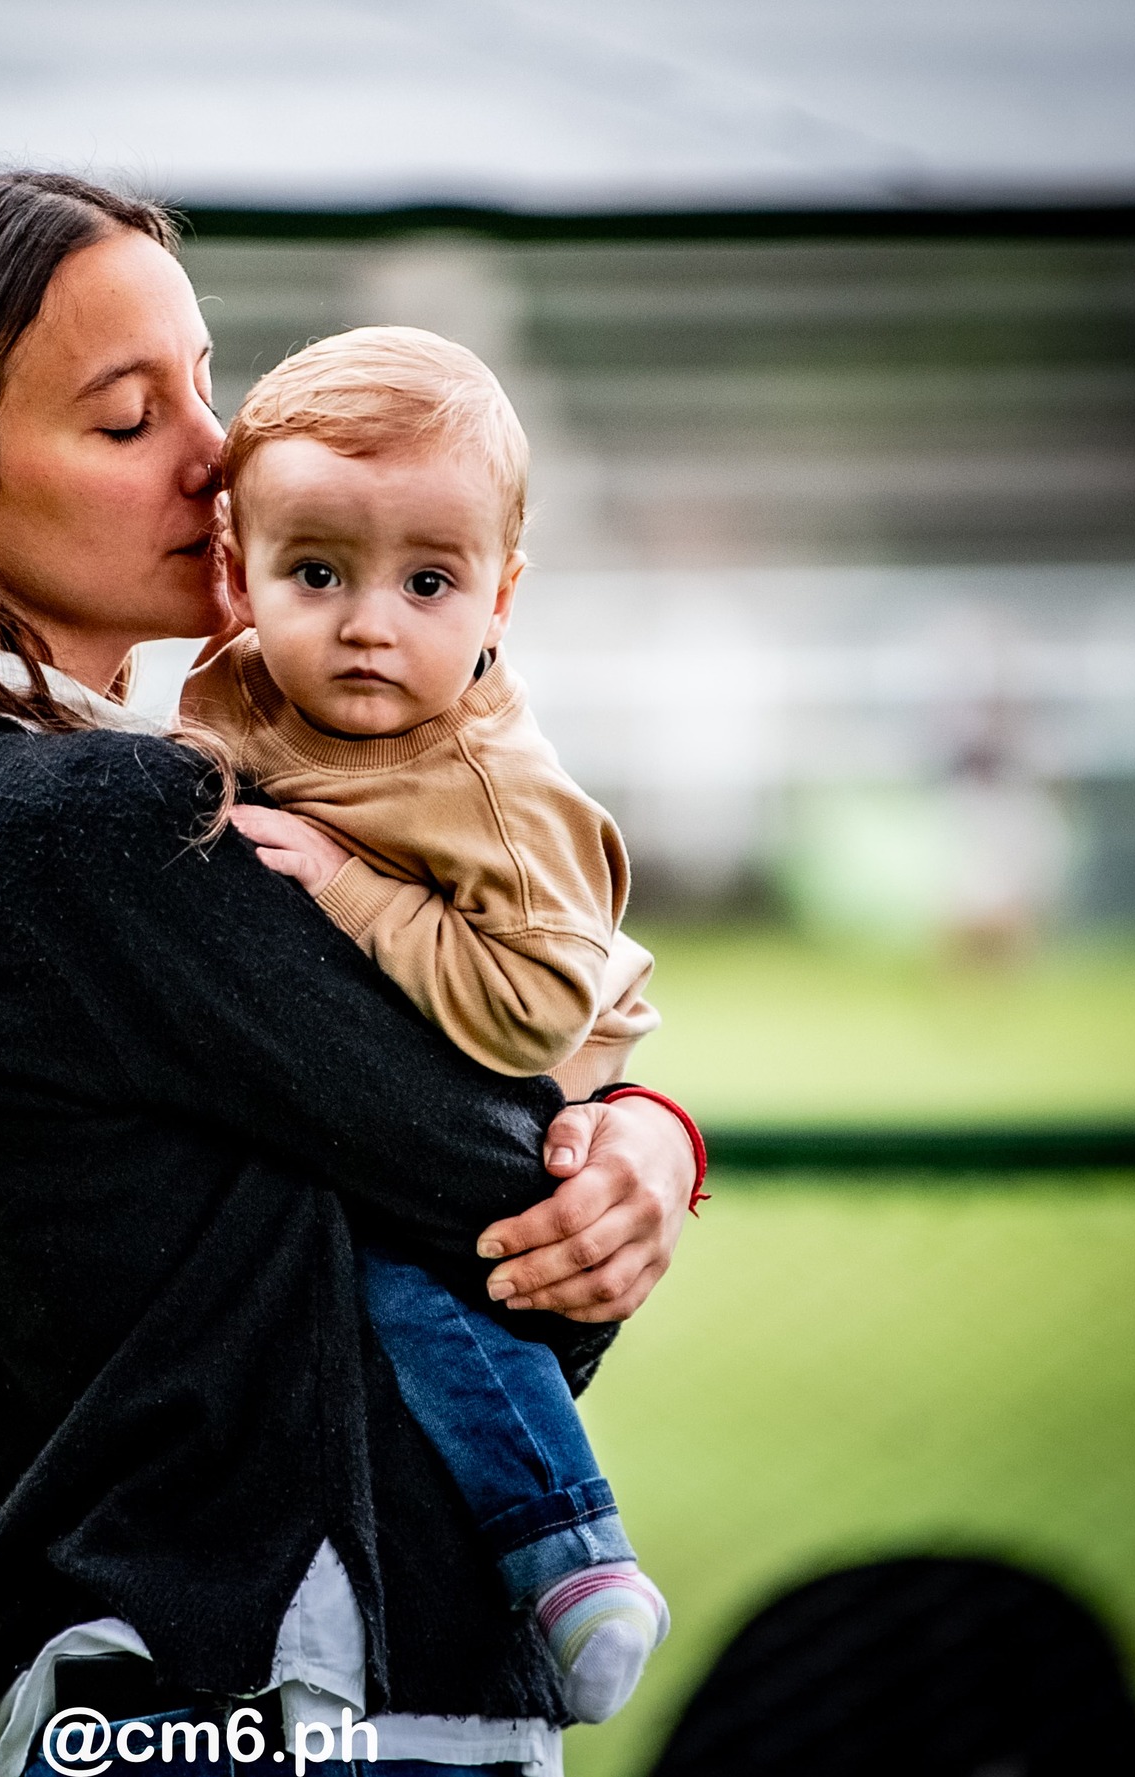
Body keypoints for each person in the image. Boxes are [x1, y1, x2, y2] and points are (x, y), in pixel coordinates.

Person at [0, 171, 702, 1777]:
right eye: (124, 420)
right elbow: (501, 1196)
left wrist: (645, 1128)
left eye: (201, 380)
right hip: (266, 1701)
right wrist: (640, 1129)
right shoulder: (84, 821)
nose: (212, 452)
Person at [184, 327, 686, 1724]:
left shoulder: (492, 790)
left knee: (410, 1273)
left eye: (427, 582)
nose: (366, 624)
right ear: (239, 571)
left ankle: (570, 1551)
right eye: (315, 573)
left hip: (540, 1057)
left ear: (500, 596)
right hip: (414, 1066)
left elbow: (530, 1010)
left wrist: (346, 887)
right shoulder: (247, 691)